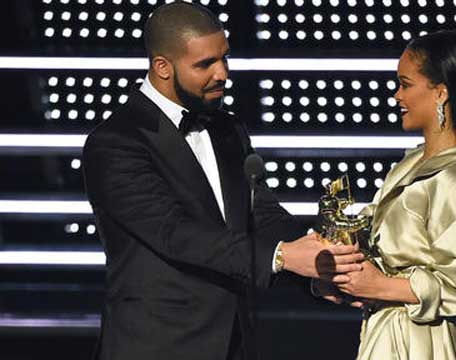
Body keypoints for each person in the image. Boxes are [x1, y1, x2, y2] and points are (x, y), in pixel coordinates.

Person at [82, 3, 363, 360]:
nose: (222, 74)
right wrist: (283, 256)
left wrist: (319, 265)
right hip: (156, 345)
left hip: (235, 342)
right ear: (162, 67)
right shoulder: (116, 142)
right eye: (205, 65)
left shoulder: (228, 130)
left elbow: (262, 216)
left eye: (224, 58)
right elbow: (175, 233)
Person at [317, 30, 456, 359]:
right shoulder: (412, 164)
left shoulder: (455, 180)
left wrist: (383, 286)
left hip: (427, 342)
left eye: (405, 84)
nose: (397, 96)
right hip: (393, 332)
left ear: (440, 93)